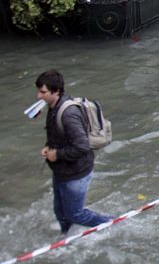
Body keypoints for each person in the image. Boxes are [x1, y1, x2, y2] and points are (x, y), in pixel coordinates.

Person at [36, 69, 113, 235]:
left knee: (75, 214)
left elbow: (82, 146)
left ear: (55, 91)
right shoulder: (52, 107)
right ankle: (65, 238)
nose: (38, 96)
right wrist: (48, 147)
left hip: (77, 173)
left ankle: (111, 223)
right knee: (60, 211)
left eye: (42, 92)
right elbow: (58, 135)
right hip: (61, 170)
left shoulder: (68, 114)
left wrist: (56, 155)